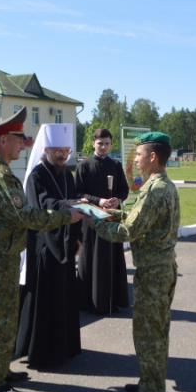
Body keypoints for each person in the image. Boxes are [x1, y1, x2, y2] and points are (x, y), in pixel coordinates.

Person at [0, 108, 85, 392]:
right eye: (19, 139)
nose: (23, 144)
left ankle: (1, 370)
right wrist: (65, 218)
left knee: (6, 319)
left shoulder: (1, 171)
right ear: (4, 140)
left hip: (5, 255)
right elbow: (27, 217)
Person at [88, 132, 180, 392]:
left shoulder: (154, 191)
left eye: (138, 155)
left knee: (148, 332)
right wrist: (107, 212)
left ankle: (151, 390)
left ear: (152, 157)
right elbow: (136, 217)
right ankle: (150, 381)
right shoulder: (163, 186)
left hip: (153, 273)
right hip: (161, 268)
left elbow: (129, 230)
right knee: (157, 330)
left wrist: (92, 219)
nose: (135, 160)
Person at [16, 124, 82, 367]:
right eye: (58, 151)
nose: (63, 155)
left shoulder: (67, 173)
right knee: (45, 300)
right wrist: (68, 206)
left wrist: (76, 238)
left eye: (66, 151)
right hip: (44, 246)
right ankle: (44, 352)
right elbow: (43, 204)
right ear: (46, 150)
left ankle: (66, 347)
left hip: (65, 244)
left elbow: (73, 202)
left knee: (64, 298)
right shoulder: (37, 176)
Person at [75, 128, 130, 314]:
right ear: (93, 144)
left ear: (110, 144)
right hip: (92, 220)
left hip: (111, 219)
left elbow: (124, 189)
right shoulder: (84, 165)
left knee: (111, 259)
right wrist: (98, 201)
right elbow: (78, 193)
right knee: (92, 259)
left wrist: (117, 199)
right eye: (100, 143)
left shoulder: (115, 165)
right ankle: (89, 302)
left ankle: (112, 300)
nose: (103, 147)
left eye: (107, 143)